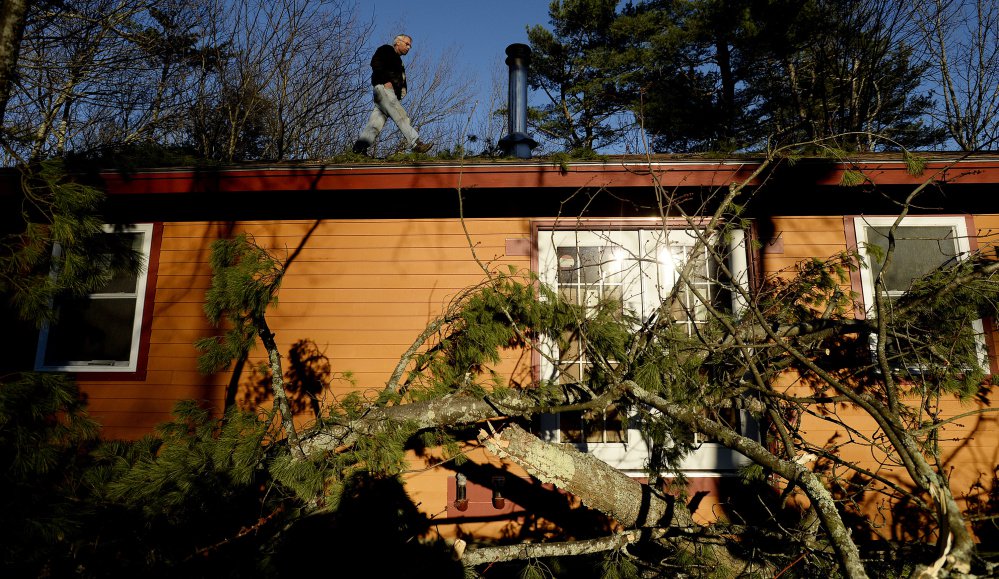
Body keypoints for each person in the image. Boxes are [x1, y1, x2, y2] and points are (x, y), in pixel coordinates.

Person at [353, 34, 431, 155]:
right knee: (401, 116)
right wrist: (386, 81)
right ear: (397, 42)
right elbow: (375, 63)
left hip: (383, 94)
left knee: (376, 122)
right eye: (407, 43)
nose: (409, 47)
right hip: (385, 90)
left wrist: (400, 93)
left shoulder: (398, 60)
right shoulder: (386, 50)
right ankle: (416, 143)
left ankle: (359, 148)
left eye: (410, 45)